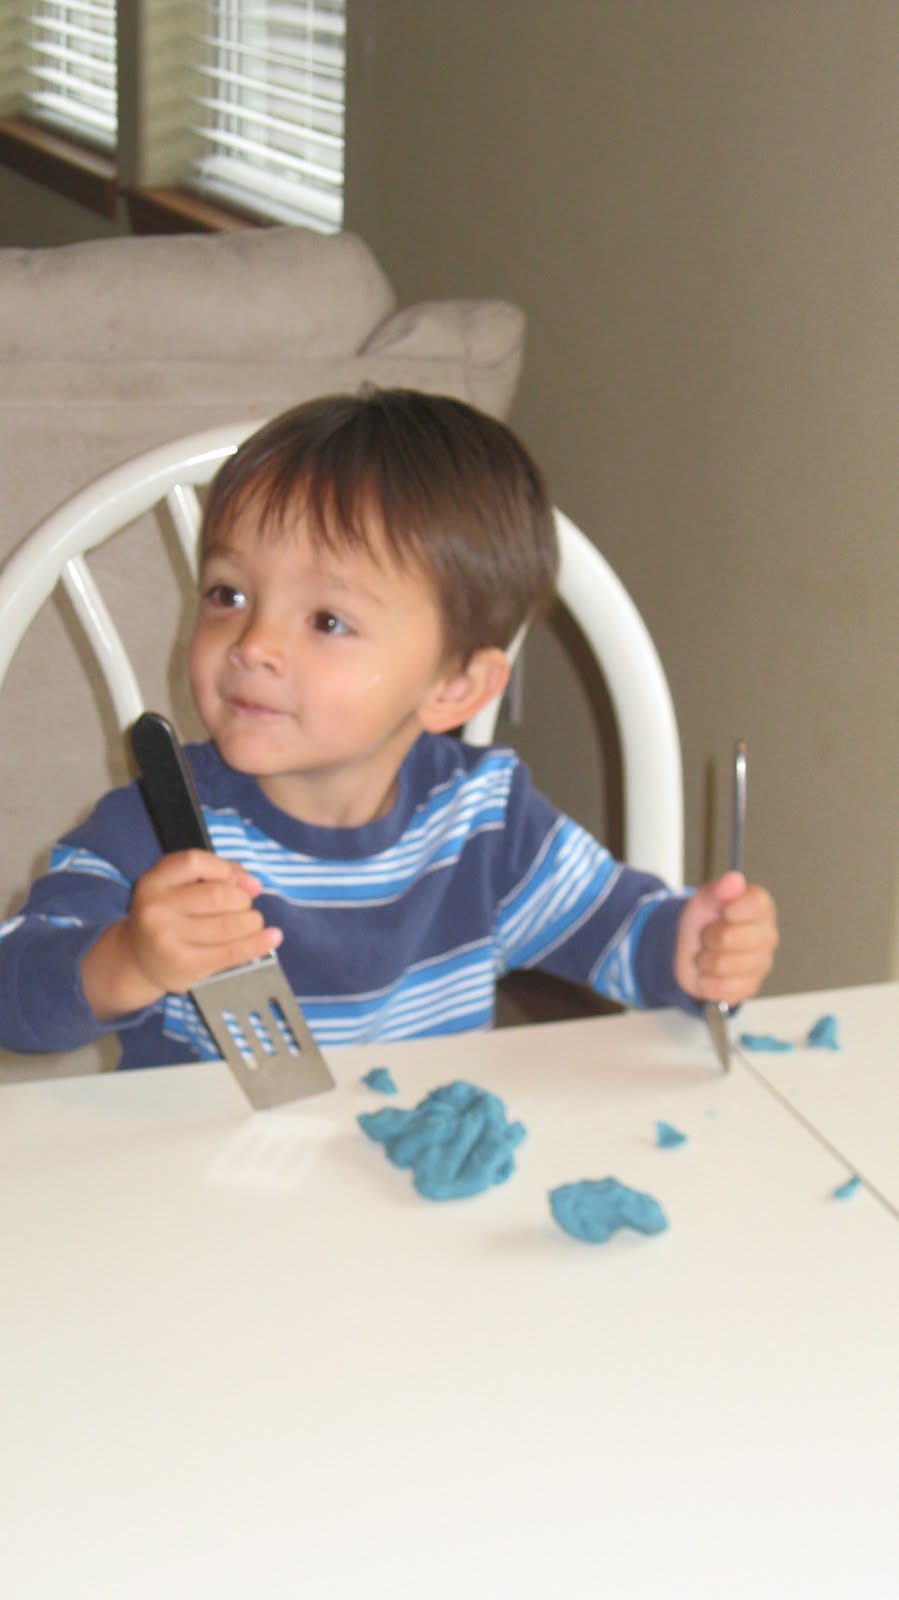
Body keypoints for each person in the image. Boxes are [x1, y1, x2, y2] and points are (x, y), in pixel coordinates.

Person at [0, 389, 777, 1067]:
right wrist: (128, 961)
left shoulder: (485, 822)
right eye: (228, 594)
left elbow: (620, 933)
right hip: (201, 1178)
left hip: (416, 1164)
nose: (253, 643)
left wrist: (694, 948)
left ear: (454, 687)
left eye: (327, 619)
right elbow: (12, 992)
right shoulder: (152, 832)